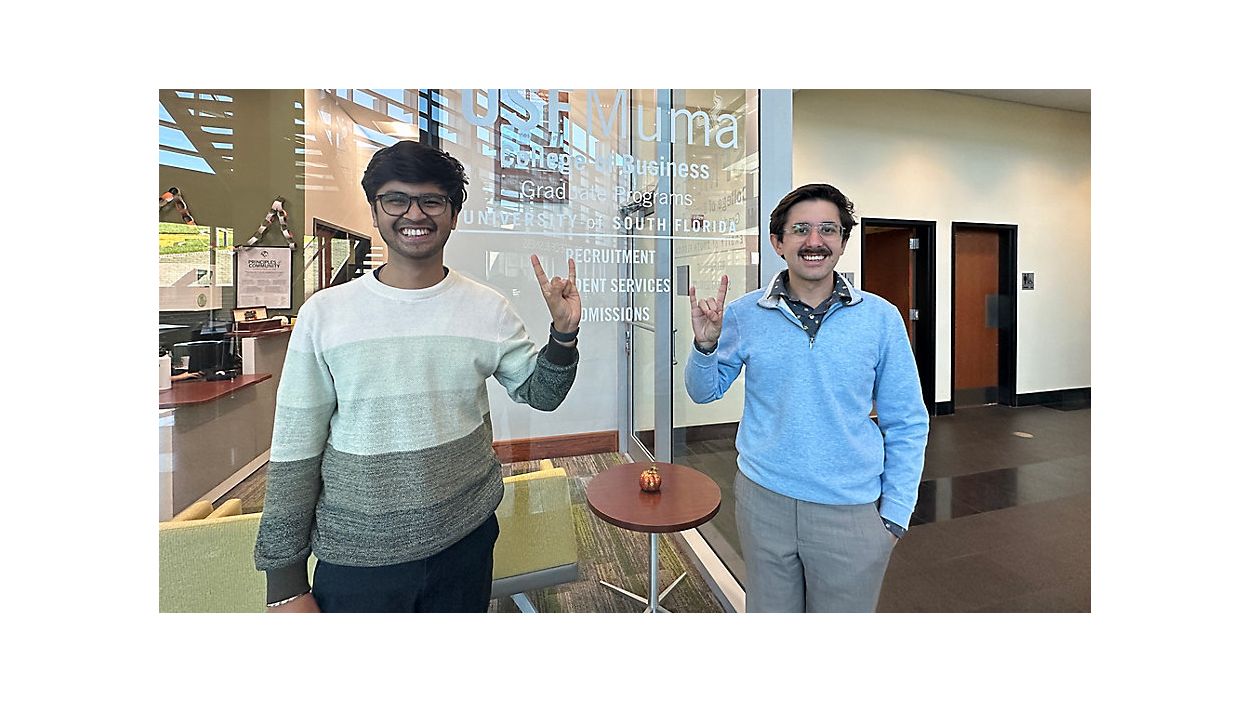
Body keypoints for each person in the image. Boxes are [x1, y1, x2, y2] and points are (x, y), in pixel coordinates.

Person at [254, 140, 581, 612]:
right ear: (374, 210)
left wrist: (563, 336)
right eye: (396, 199)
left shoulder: (487, 308)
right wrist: (284, 582)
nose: (415, 213)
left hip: (465, 539)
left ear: (453, 214)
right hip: (359, 557)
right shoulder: (326, 314)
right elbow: (295, 449)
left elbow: (541, 393)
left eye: (432, 200)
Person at [684, 183, 928, 612]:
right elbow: (703, 393)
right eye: (800, 230)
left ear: (843, 242)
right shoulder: (744, 314)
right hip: (763, 502)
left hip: (850, 510)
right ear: (778, 243)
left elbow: (906, 420)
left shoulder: (881, 318)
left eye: (828, 230)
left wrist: (895, 514)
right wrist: (704, 347)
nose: (814, 241)